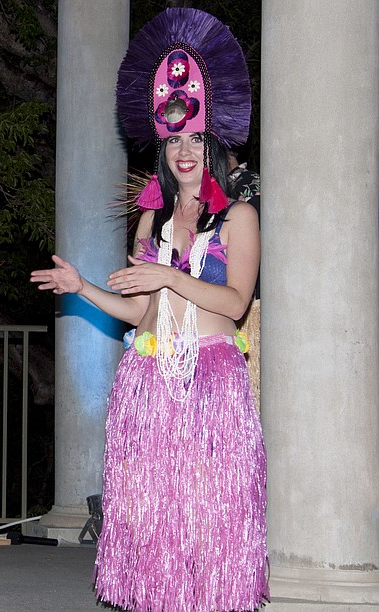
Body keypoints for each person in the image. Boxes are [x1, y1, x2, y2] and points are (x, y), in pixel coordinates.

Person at [31, 9, 267, 611]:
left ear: (212, 142)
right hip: (148, 376)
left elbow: (235, 302)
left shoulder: (238, 217)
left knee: (208, 514)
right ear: (161, 146)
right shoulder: (151, 218)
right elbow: (140, 313)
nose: (184, 151)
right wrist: (82, 286)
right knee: (149, 512)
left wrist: (168, 274)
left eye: (194, 139)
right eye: (173, 140)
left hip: (212, 380)